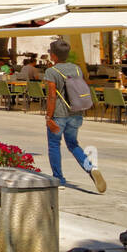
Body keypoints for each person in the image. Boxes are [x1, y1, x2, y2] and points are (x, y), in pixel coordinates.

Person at [44, 38, 106, 192]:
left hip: (59, 114)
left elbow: (52, 96)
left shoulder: (51, 71)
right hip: (76, 113)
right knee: (73, 144)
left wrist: (48, 117)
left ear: (54, 56)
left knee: (54, 145)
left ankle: (59, 179)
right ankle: (90, 169)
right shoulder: (77, 69)